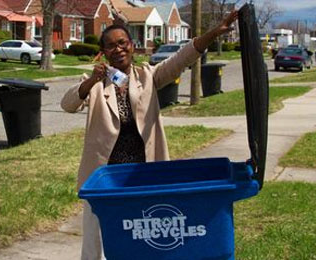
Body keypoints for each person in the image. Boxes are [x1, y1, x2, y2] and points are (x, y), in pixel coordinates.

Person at [61, 10, 239, 260]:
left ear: (132, 46)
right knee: (97, 244)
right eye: (111, 46)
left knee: (145, 238)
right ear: (103, 52)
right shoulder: (95, 83)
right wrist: (91, 82)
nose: (118, 49)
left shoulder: (148, 76)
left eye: (122, 43)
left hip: (143, 174)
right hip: (106, 177)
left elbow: (182, 58)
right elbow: (68, 104)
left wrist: (214, 33)